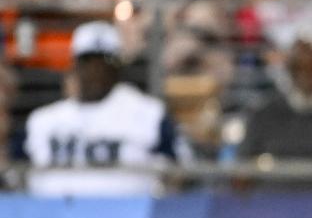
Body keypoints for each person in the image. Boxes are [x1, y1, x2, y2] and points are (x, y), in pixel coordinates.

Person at [22, 21, 189, 197]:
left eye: (104, 63)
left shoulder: (149, 113)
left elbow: (183, 168)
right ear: (75, 66)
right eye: (88, 62)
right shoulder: (42, 120)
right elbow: (13, 171)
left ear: (118, 68)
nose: (95, 71)